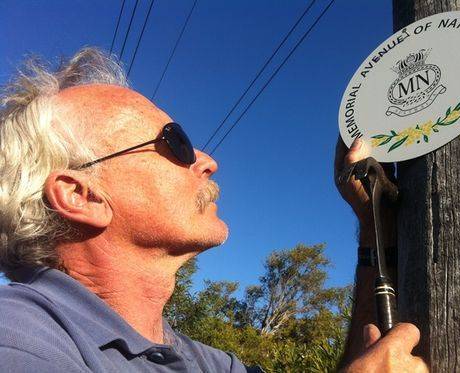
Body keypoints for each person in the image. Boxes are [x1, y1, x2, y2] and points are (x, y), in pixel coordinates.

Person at [0, 48, 428, 372]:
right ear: (81, 195)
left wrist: (375, 229)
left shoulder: (210, 364)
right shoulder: (17, 340)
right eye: (174, 142)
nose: (205, 160)